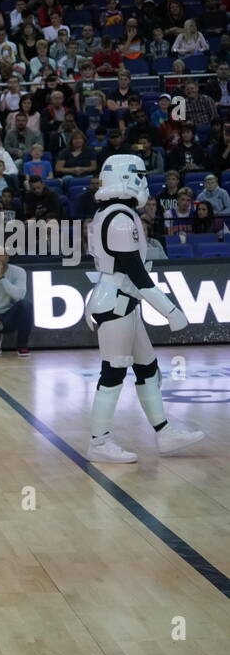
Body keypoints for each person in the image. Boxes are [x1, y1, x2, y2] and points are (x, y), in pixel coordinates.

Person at [85, 154, 203, 463]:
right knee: (114, 371)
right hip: (117, 303)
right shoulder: (120, 218)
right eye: (140, 175)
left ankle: (164, 433)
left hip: (122, 301)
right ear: (130, 177)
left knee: (148, 369)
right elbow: (137, 273)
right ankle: (99, 443)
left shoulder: (109, 212)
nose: (145, 182)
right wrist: (171, 311)